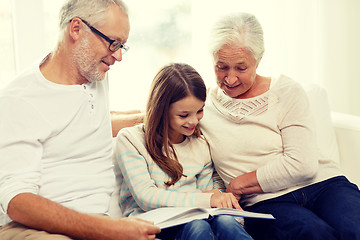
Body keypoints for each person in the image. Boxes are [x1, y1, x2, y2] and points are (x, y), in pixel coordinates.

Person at [0, 0, 160, 239]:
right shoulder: (20, 99)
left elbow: (90, 122)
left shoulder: (94, 73)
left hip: (98, 222)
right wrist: (109, 229)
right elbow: (17, 202)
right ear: (76, 29)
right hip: (34, 229)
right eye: (113, 43)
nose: (118, 56)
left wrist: (158, 118)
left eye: (122, 46)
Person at [199, 12, 360, 240]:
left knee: (355, 228)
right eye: (221, 67)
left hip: (324, 185)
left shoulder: (286, 91)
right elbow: (162, 112)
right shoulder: (202, 105)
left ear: (259, 59)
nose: (230, 78)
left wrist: (239, 184)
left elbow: (303, 165)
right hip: (265, 202)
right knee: (314, 234)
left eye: (241, 68)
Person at [113, 63, 253, 240]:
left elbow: (207, 193)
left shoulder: (200, 145)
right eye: (184, 115)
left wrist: (219, 201)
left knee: (226, 223)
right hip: (151, 222)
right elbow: (146, 197)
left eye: (200, 111)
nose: (194, 121)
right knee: (198, 226)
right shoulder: (131, 139)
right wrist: (206, 199)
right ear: (161, 110)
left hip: (195, 217)